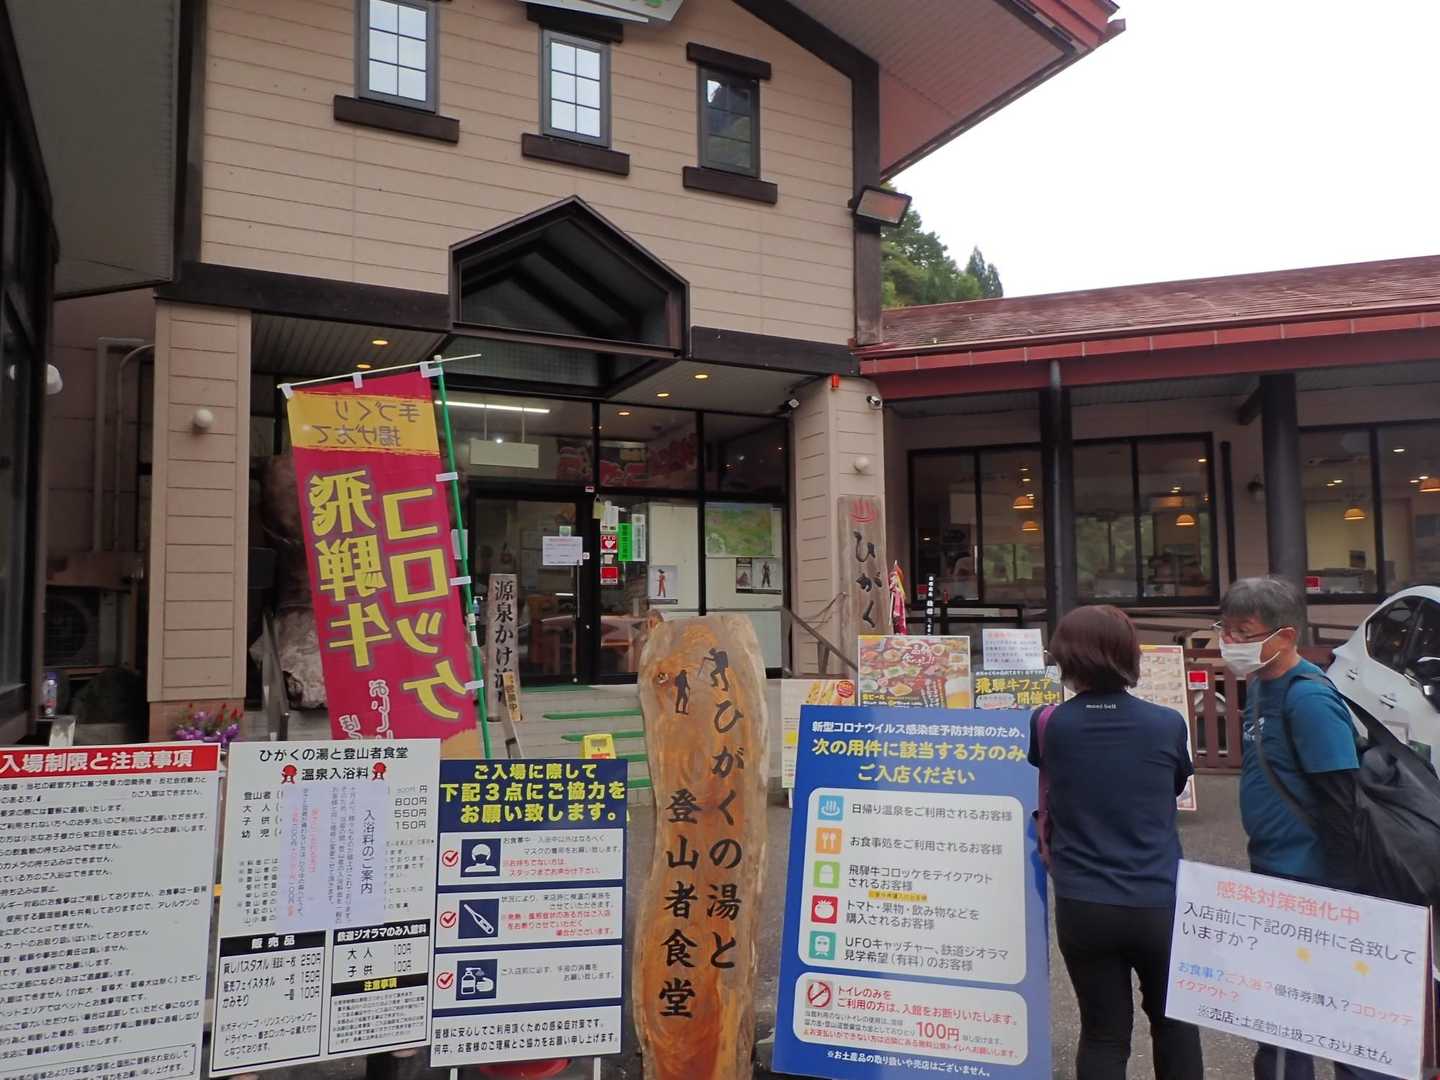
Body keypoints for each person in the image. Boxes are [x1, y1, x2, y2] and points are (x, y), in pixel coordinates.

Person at [1030, 605, 1203, 1080]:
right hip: (1159, 898)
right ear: (1129, 655)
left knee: (1103, 1033)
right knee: (1175, 1024)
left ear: (1067, 657)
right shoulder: (1167, 723)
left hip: (1083, 901)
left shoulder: (1048, 724)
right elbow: (1172, 786)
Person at [1220, 576, 1380, 1080]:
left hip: (1312, 881)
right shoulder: (1260, 686)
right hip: (1273, 870)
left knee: (1322, 1011)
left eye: (1244, 632)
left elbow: (1340, 799)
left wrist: (1342, 898)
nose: (1230, 642)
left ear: (1285, 635)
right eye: (1225, 630)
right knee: (1279, 1013)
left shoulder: (1308, 698)